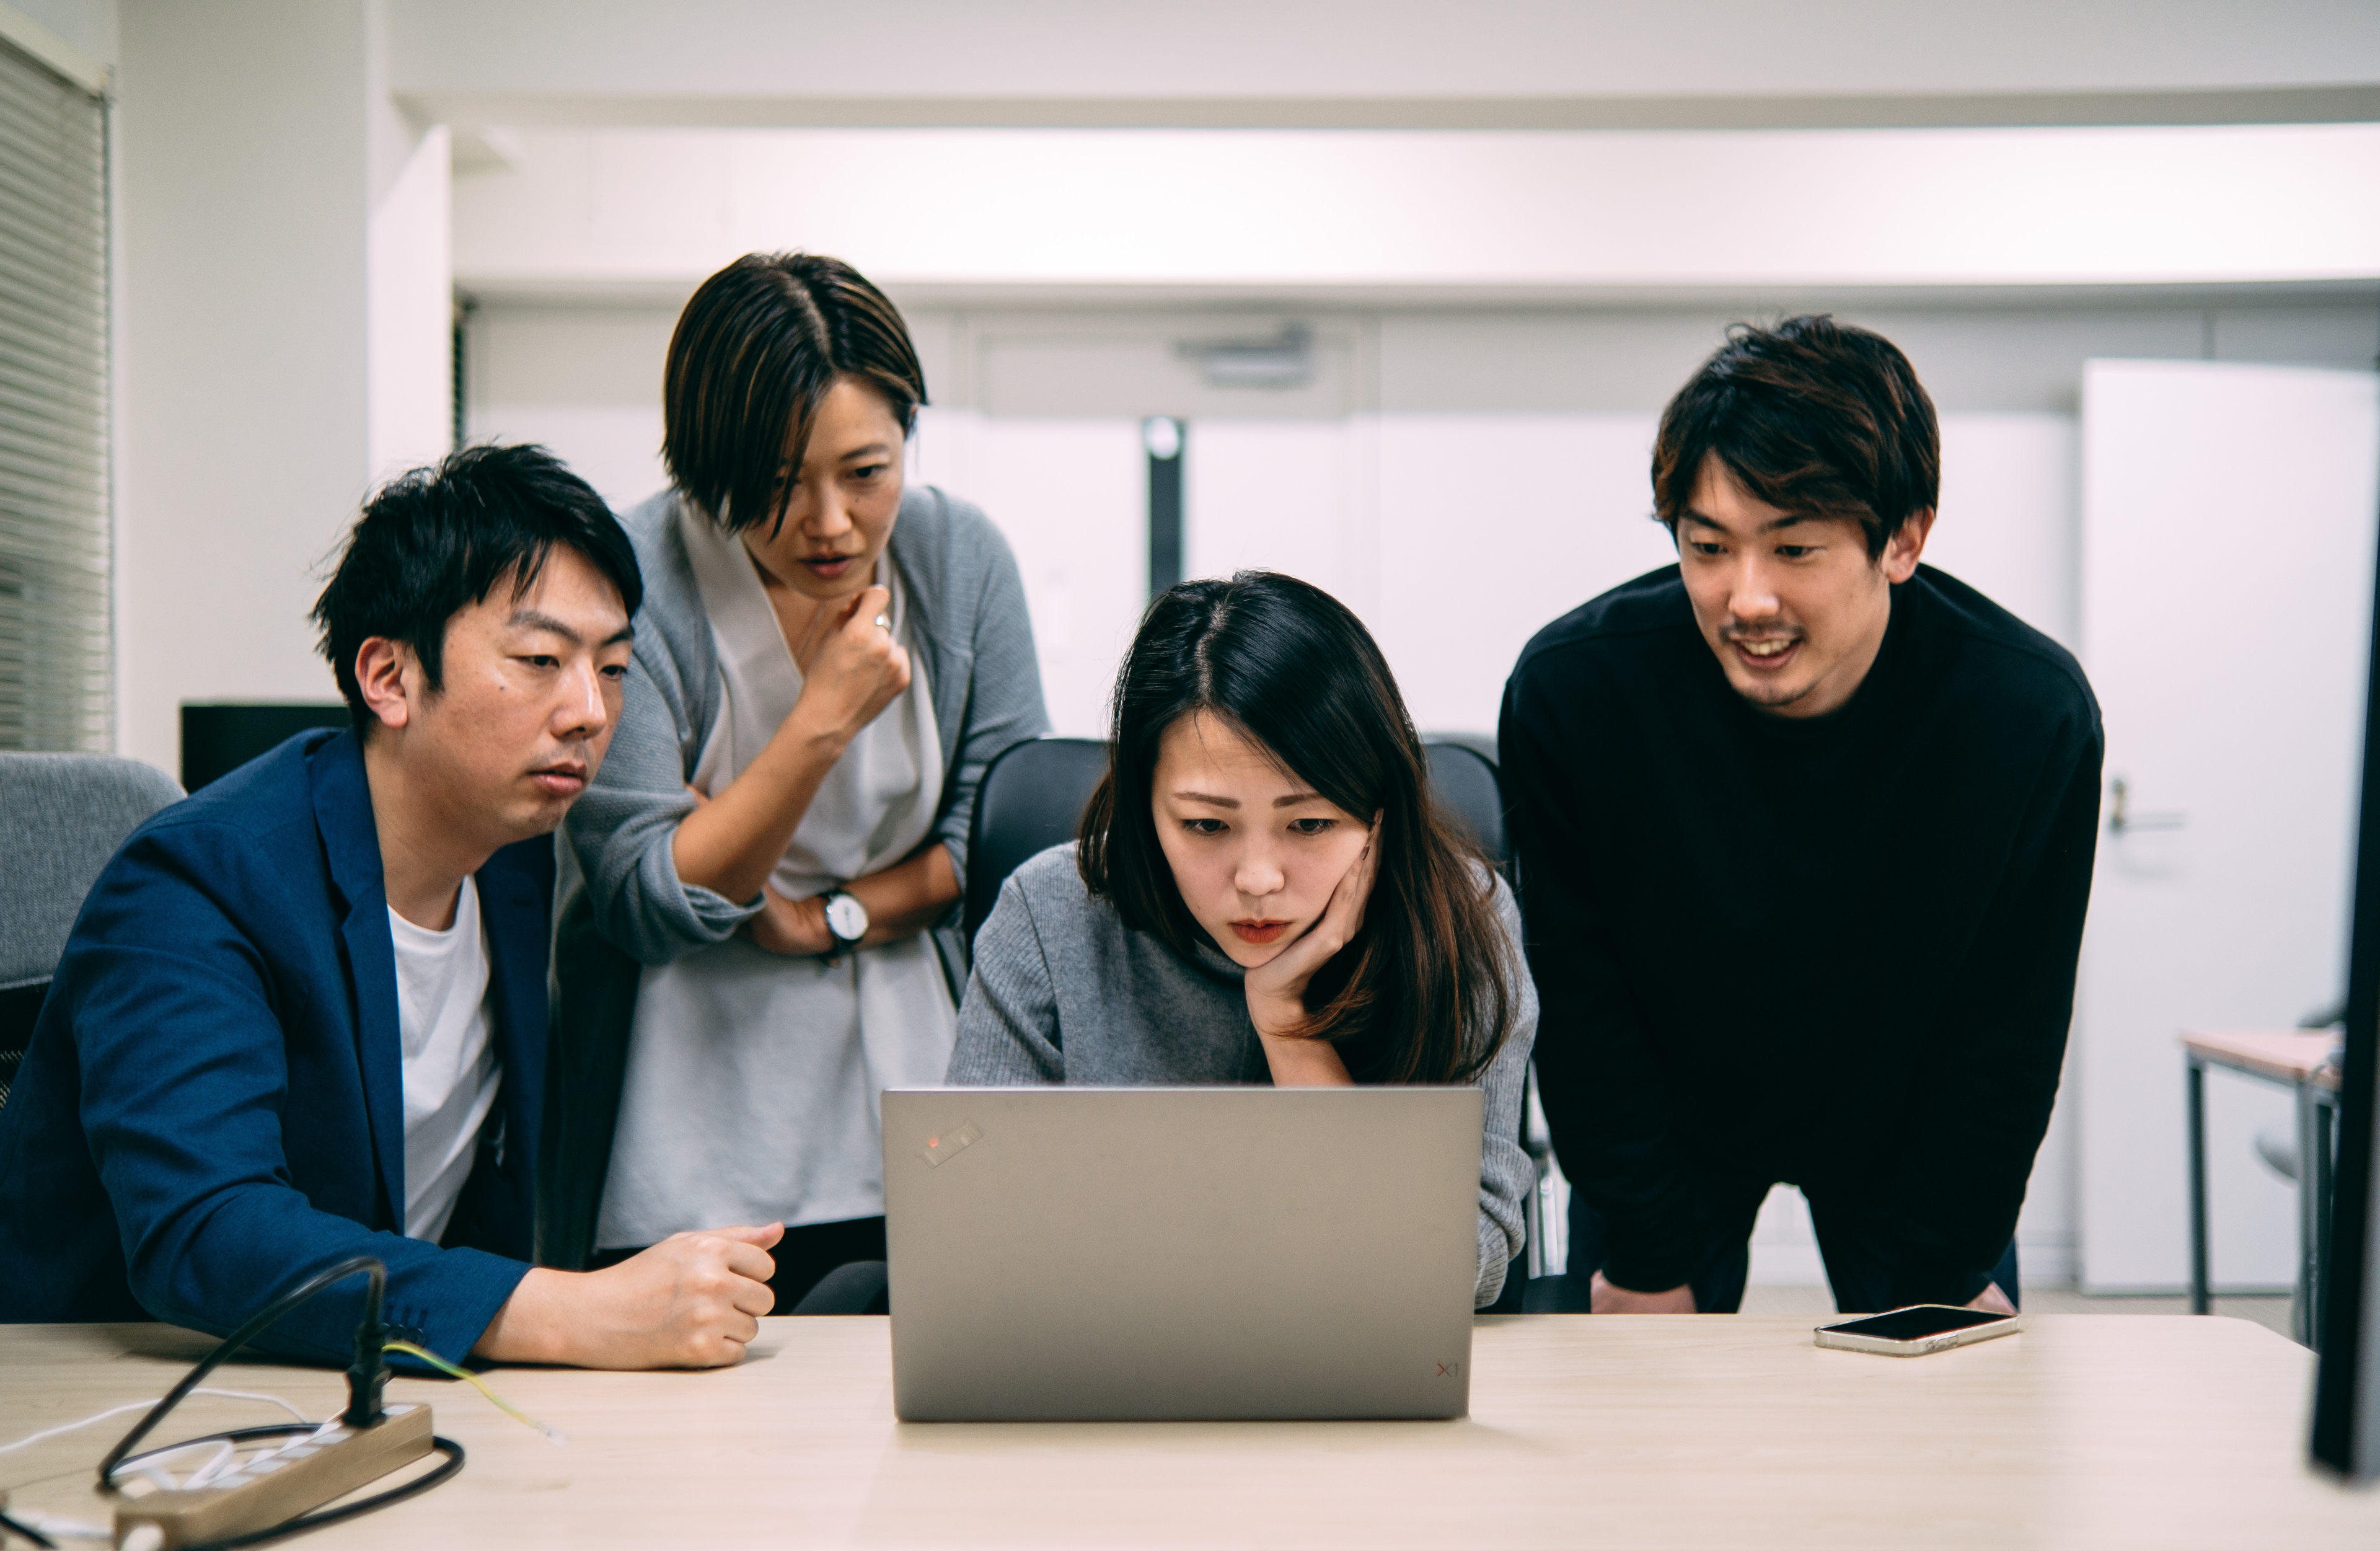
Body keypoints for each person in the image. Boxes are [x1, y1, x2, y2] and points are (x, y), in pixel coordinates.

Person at [0, 445, 781, 1367]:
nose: (590, 712)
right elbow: (204, 1231)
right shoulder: (196, 881)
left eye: (611, 669)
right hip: (112, 1398)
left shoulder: (517, 860)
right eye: (539, 659)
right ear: (388, 678)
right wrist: (568, 1312)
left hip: (371, 1385)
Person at [1499, 316, 2102, 1316]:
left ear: (1903, 538)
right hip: (1668, 1124)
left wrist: (1947, 1267)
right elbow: (1583, 1003)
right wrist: (1648, 1255)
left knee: (1944, 1439)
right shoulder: (1580, 694)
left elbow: (2008, 1030)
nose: (1747, 597)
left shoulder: (2024, 717)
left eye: (1796, 548)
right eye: (1708, 547)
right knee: (1643, 1436)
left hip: (1911, 1126)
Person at [550, 252, 1048, 1309]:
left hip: (915, 1074)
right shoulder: (632, 574)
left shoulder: (959, 560)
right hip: (685, 1102)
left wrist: (820, 919)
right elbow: (649, 898)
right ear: (702, 466)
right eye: (776, 486)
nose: (830, 524)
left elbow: (999, 840)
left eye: (866, 472)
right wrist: (821, 719)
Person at [951, 572, 1537, 1308]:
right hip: (1107, 1364)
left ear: (1380, 814)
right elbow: (969, 1232)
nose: (1258, 879)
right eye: (1205, 825)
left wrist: (1291, 1028)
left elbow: (1463, 1266)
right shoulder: (1049, 912)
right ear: (1143, 806)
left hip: (1361, 1380)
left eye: (1310, 824)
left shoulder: (1465, 920)